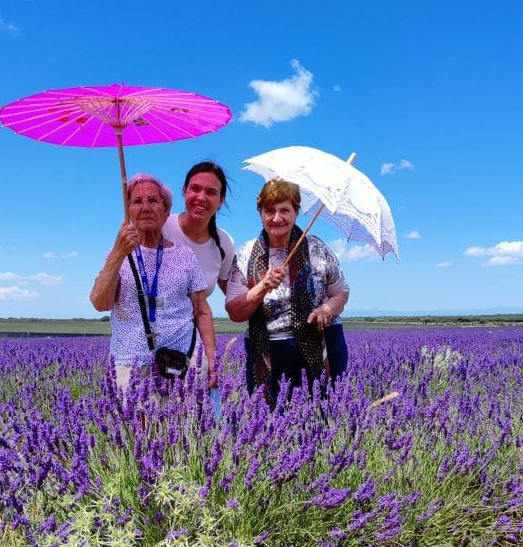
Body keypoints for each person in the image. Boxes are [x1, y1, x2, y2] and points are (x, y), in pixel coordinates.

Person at [226, 179, 350, 405]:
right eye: (269, 210)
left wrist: (327, 309)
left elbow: (340, 293)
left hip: (319, 347)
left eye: (285, 210)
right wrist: (262, 286)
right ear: (260, 213)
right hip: (267, 353)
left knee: (322, 416)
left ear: (296, 212)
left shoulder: (317, 248)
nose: (276, 218)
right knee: (266, 420)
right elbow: (234, 312)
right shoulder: (245, 255)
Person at [90, 173, 216, 390]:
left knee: (185, 425)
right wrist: (119, 253)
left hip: (182, 362)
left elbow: (202, 310)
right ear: (128, 210)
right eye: (137, 201)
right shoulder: (117, 255)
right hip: (130, 364)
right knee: (135, 424)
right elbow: (101, 303)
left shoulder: (184, 255)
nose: (145, 207)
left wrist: (213, 357)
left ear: (166, 210)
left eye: (153, 201)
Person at [161, 161, 236, 298]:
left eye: (210, 192)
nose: (201, 198)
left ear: (221, 201)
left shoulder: (225, 244)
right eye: (195, 189)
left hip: (198, 318)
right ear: (184, 191)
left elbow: (231, 292)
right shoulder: (161, 228)